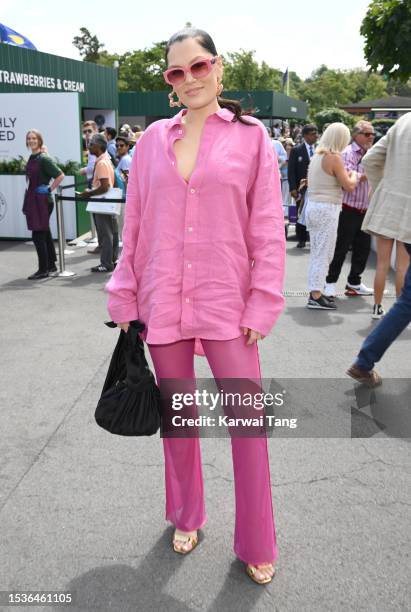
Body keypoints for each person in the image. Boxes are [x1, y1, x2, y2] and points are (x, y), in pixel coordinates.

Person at [105, 27, 285, 585]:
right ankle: (187, 514)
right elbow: (134, 226)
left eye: (199, 66)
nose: (190, 79)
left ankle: (257, 538)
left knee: (247, 426)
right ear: (168, 83)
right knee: (180, 422)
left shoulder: (253, 139)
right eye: (176, 72)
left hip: (230, 305)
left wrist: (262, 304)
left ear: (218, 68)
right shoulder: (151, 140)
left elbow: (267, 232)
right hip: (163, 303)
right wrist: (125, 292)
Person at [347, 112, 411, 386]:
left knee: (407, 298)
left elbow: (372, 159)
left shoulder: (405, 120)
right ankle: (364, 361)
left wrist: (385, 190)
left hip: (396, 212)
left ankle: (365, 361)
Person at [304, 123, 359, 309]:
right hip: (327, 208)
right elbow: (348, 185)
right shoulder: (334, 158)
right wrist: (355, 175)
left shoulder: (317, 156)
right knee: (324, 253)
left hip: (313, 206)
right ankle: (316, 294)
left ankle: (315, 291)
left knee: (318, 252)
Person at [324, 121, 376, 301]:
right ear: (356, 135)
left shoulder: (371, 154)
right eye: (367, 134)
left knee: (363, 248)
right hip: (347, 209)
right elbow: (346, 180)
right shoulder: (347, 153)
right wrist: (363, 175)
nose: (371, 137)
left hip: (364, 209)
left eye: (373, 134)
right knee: (341, 248)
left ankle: (354, 282)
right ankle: (329, 283)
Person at [23, 129, 65, 280]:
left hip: (42, 202)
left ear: (39, 140)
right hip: (33, 199)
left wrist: (49, 188)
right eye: (29, 138)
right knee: (44, 233)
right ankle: (51, 265)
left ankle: (43, 270)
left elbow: (60, 175)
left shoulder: (44, 159)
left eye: (34, 138)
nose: (31, 140)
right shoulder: (33, 157)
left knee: (38, 235)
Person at [77, 133, 118, 273]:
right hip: (107, 201)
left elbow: (105, 186)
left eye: (91, 144)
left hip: (102, 201)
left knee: (106, 233)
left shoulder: (101, 162)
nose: (89, 146)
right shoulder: (105, 160)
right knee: (111, 232)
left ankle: (106, 263)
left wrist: (88, 193)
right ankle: (112, 261)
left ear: (99, 146)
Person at [288, 124, 318, 247]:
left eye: (316, 133)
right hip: (301, 189)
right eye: (312, 134)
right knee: (301, 212)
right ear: (305, 136)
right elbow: (291, 170)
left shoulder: (319, 150)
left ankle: (313, 237)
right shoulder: (296, 150)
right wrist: (293, 188)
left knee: (314, 213)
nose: (316, 136)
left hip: (316, 188)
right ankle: (301, 239)